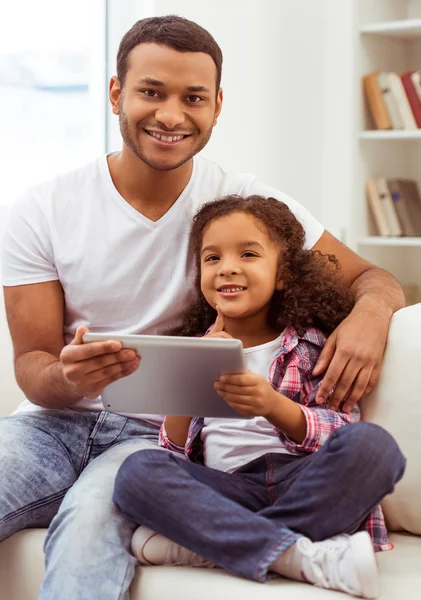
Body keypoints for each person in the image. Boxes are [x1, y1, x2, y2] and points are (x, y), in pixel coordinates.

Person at [0, 14, 404, 600]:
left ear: (217, 106)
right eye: (150, 92)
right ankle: (288, 552)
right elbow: (34, 369)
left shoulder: (244, 205)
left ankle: (237, 542)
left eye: (192, 98)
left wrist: (370, 316)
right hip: (50, 426)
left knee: (91, 528)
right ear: (117, 93)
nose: (170, 115)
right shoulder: (42, 208)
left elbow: (375, 279)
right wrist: (67, 374)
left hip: (154, 441)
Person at [113, 195, 406, 599]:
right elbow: (172, 451)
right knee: (136, 472)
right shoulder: (192, 350)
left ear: (283, 274)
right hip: (227, 488)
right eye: (212, 258)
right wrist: (192, 381)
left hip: (302, 482)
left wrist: (274, 407)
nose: (227, 267)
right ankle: (298, 554)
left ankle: (218, 544)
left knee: (375, 449)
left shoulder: (311, 345)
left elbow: (340, 429)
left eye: (248, 254)